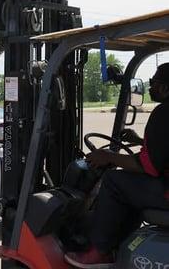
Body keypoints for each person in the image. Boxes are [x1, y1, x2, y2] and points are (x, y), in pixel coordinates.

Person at [65, 62, 169, 269]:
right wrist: (140, 141)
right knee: (130, 185)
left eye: (153, 82)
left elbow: (148, 167)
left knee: (114, 180)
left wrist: (108, 156)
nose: (150, 87)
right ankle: (120, 244)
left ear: (166, 88)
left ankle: (99, 252)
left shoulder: (163, 112)